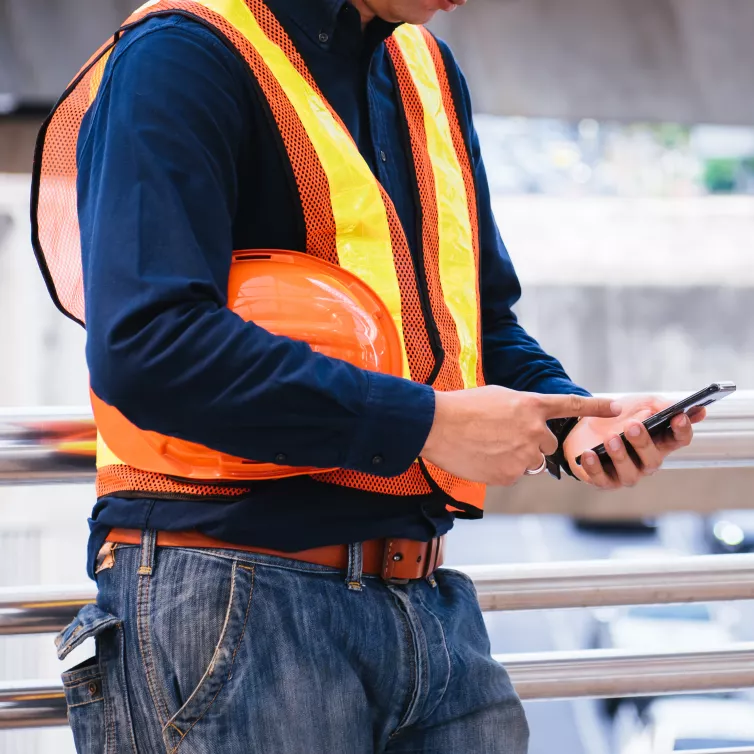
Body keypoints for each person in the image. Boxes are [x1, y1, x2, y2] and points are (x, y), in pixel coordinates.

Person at [33, 0, 705, 751]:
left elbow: (472, 323)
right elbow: (149, 345)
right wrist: (426, 425)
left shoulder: (429, 71)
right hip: (229, 600)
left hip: (427, 606)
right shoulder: (182, 53)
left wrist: (571, 419)